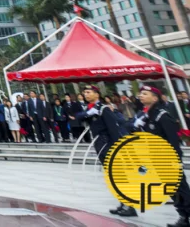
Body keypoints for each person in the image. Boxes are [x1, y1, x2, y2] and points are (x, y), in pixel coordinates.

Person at [132, 84, 190, 227]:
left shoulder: (162, 115)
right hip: (156, 158)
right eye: (141, 94)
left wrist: (176, 159)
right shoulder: (145, 115)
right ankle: (183, 216)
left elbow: (173, 140)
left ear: (155, 98)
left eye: (145, 94)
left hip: (168, 158)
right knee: (171, 189)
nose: (141, 96)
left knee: (181, 188)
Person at [77, 85, 135, 218]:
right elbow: (78, 117)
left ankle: (130, 205)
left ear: (97, 94)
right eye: (85, 92)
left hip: (108, 143)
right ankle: (123, 203)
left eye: (89, 92)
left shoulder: (104, 109)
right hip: (99, 144)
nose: (86, 94)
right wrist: (88, 113)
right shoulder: (90, 109)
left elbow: (113, 129)